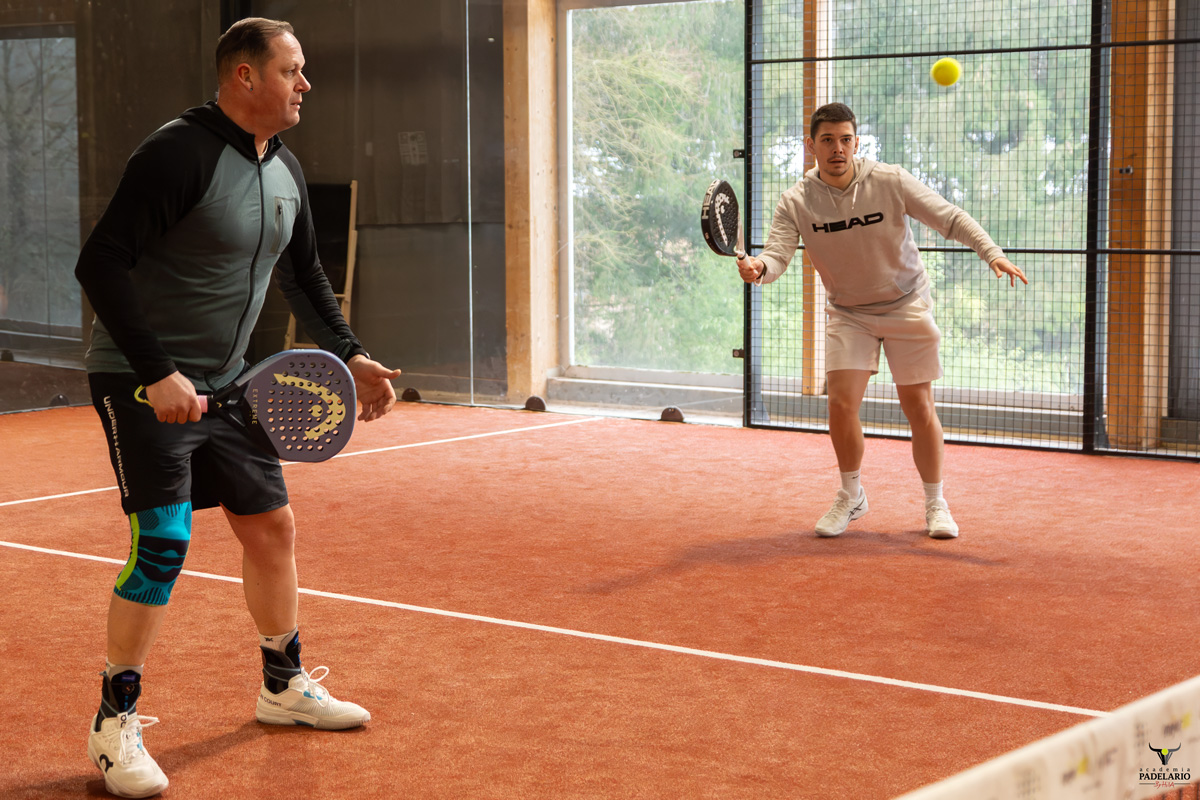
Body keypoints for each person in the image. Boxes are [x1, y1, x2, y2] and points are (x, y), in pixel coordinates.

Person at [75, 18, 401, 799]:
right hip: (141, 380)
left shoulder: (283, 169)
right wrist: (157, 372)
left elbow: (305, 278)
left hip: (230, 383)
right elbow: (101, 262)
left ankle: (282, 687)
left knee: (273, 527)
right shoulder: (176, 154)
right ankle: (113, 720)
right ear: (244, 78)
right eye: (292, 70)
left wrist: (350, 352)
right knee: (163, 544)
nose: (305, 84)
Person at [736, 102, 1027, 540]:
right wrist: (759, 269)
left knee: (919, 408)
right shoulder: (796, 200)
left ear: (856, 142)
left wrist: (993, 253)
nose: (838, 149)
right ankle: (851, 496)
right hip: (850, 312)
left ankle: (936, 503)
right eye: (828, 140)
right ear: (811, 145)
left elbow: (949, 217)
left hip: (906, 303)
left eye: (846, 139)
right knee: (840, 403)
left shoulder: (888, 180)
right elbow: (777, 255)